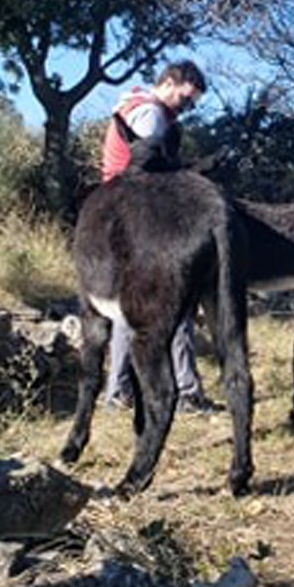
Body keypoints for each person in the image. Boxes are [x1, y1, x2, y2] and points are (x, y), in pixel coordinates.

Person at [100, 60, 219, 414]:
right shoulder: (151, 116)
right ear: (169, 82)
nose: (188, 107)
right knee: (178, 302)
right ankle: (186, 392)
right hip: (141, 219)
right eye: (186, 98)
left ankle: (120, 392)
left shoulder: (134, 106)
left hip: (120, 216)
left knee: (130, 306)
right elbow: (147, 174)